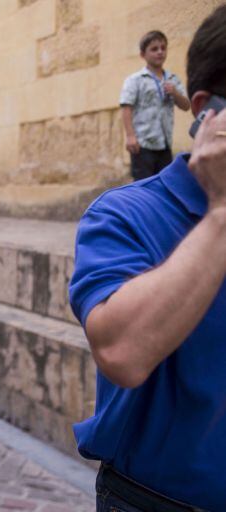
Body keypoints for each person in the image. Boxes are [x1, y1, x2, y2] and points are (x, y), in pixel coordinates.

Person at [69, 6, 226, 510]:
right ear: (213, 111)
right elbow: (123, 353)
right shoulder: (123, 214)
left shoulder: (172, 84)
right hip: (155, 499)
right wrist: (221, 216)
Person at [120, 30, 191, 181]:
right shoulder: (135, 80)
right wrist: (130, 136)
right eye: (154, 49)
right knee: (143, 186)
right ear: (143, 55)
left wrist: (175, 93)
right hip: (143, 145)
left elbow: (186, 106)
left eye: (163, 48)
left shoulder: (172, 79)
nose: (160, 52)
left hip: (165, 144)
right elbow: (126, 108)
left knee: (164, 183)